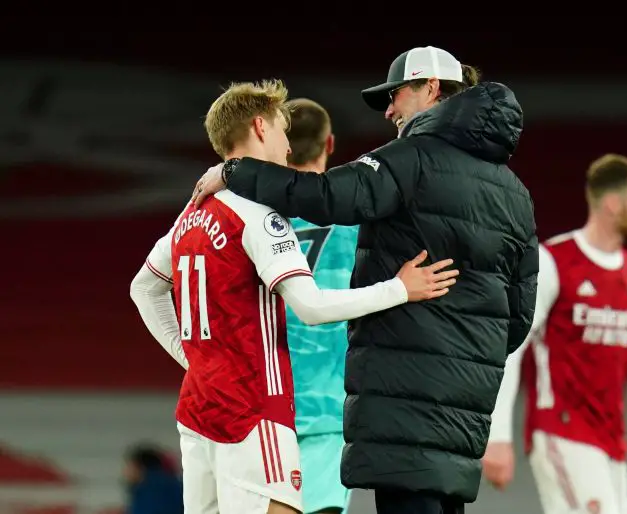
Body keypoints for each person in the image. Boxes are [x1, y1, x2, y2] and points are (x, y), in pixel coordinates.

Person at [191, 46, 538, 514]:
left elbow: (327, 195)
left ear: (430, 88)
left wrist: (236, 172)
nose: (390, 109)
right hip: (465, 411)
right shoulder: (514, 190)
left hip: (402, 401)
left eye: (396, 94)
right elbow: (517, 319)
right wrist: (465, 351)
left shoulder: (410, 158)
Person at [129, 79, 460, 514]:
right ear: (261, 126)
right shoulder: (260, 216)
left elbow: (144, 288)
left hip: (198, 411)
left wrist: (193, 357)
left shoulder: (194, 212)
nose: (288, 146)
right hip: (254, 411)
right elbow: (312, 307)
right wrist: (400, 288)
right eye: (284, 131)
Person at [483, 154, 627, 514]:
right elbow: (512, 347)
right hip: (561, 430)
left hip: (612, 440)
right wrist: (498, 435)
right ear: (614, 204)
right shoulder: (555, 261)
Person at [282, 98, 355, 514]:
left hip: (258, 403)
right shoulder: (358, 217)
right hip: (330, 405)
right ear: (330, 143)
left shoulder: (247, 214)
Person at [123, 443, 183, 514]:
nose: (125, 472)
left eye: (129, 466)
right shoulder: (170, 483)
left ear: (140, 467)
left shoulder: (150, 490)